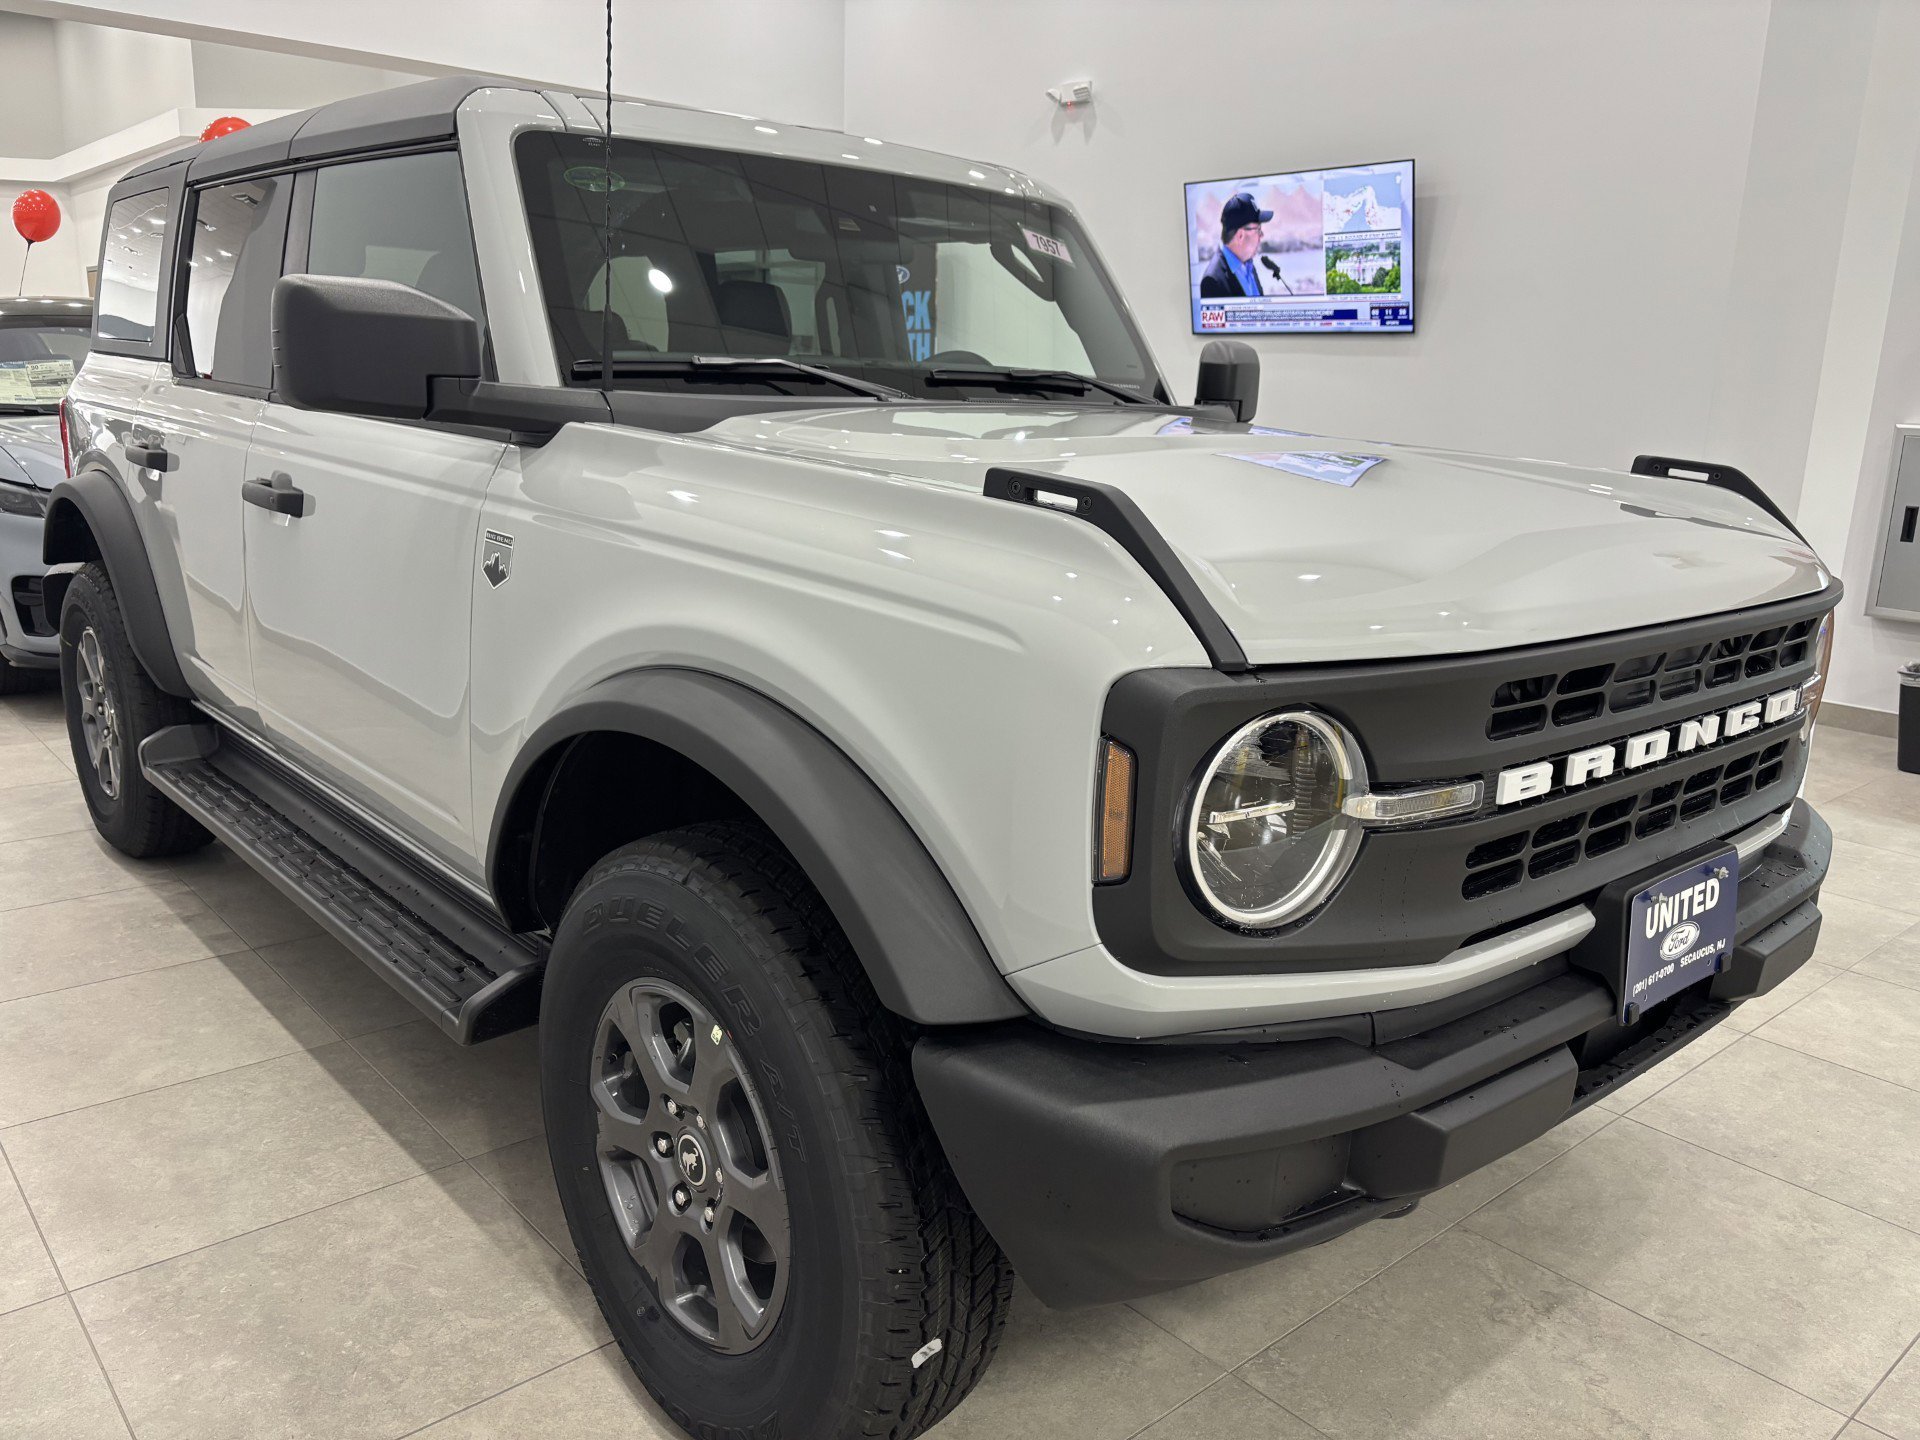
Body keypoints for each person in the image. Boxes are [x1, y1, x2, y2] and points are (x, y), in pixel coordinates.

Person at [1199, 191, 1274, 298]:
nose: (1262, 235)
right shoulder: (1212, 281)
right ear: (1240, 236)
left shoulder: (1248, 266)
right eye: (1258, 229)